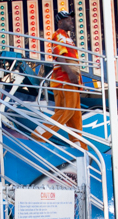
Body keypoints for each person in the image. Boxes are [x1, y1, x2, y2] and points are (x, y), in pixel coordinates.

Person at [31, 10, 85, 149]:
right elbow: (58, 55)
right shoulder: (59, 34)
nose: (71, 22)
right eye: (68, 20)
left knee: (75, 114)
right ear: (60, 22)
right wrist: (70, 73)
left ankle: (78, 144)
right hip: (64, 79)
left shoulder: (66, 37)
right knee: (66, 111)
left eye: (71, 20)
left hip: (70, 80)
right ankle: (40, 134)